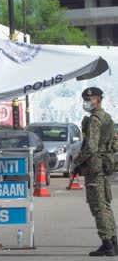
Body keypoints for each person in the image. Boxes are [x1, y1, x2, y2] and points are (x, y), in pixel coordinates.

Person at [73, 87, 117, 257]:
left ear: (97, 100)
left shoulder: (95, 120)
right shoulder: (108, 118)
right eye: (84, 98)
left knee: (98, 207)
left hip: (94, 167)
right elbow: (114, 145)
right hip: (104, 166)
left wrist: (79, 162)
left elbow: (90, 146)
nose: (86, 102)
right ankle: (113, 242)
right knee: (105, 205)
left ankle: (107, 244)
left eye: (88, 99)